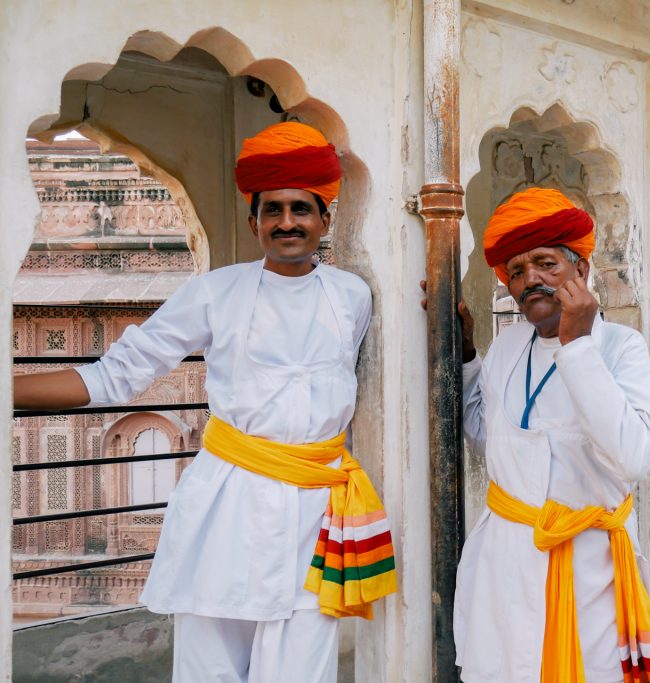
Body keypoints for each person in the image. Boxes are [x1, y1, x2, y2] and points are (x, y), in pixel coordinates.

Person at [14, 121, 396, 683]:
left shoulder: (353, 295)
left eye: (300, 209)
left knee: (303, 670)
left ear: (325, 220)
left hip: (319, 512)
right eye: (273, 211)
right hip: (229, 507)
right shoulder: (216, 293)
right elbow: (118, 375)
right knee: (210, 670)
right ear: (254, 222)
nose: (287, 222)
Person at [453, 187, 650, 682]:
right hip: (507, 558)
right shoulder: (508, 346)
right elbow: (493, 440)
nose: (530, 279)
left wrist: (576, 346)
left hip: (587, 568)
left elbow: (633, 457)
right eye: (517, 270)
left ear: (582, 271)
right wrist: (468, 354)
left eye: (546, 263)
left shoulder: (620, 347)